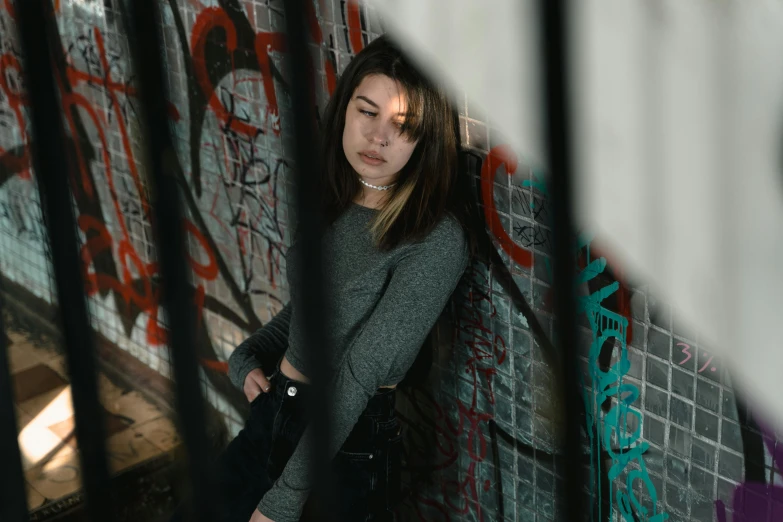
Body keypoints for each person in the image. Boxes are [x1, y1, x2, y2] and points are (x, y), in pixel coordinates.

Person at [212, 34, 474, 522]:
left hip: (343, 447)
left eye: (404, 125)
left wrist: (285, 499)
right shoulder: (336, 201)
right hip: (275, 416)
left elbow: (361, 371)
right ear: (345, 112)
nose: (378, 137)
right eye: (367, 111)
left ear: (427, 138)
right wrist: (250, 354)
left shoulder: (435, 238)